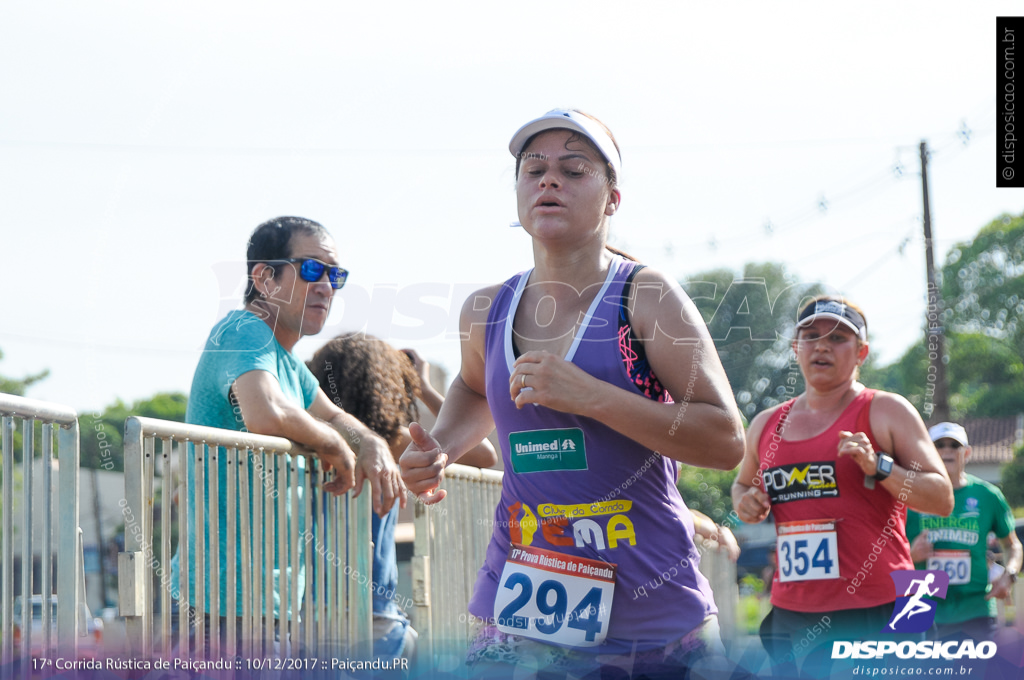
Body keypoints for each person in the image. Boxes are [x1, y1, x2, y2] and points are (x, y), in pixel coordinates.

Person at [400, 109, 746, 678]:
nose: (549, 180)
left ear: (612, 198)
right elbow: (471, 386)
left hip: (652, 616)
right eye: (533, 169)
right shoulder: (486, 310)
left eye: (574, 169)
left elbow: (725, 439)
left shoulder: (647, 296)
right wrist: (441, 448)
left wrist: (593, 396)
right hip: (526, 605)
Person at [171, 216, 405, 648]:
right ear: (264, 277)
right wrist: (334, 444)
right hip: (218, 605)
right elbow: (267, 412)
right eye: (312, 269)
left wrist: (370, 443)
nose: (326, 286)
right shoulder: (242, 330)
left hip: (267, 605)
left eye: (335, 275)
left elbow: (335, 416)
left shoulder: (290, 365)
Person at [731, 295, 955, 678]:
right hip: (794, 614)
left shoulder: (886, 410)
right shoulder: (766, 424)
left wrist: (879, 466)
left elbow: (941, 497)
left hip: (881, 607)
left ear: (861, 352)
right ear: (795, 348)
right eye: (811, 336)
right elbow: (741, 485)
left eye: (838, 338)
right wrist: (745, 502)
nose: (822, 345)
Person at [307, 333, 497, 658]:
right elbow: (484, 454)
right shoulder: (388, 446)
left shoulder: (312, 441)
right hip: (376, 618)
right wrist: (421, 386)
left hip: (308, 613)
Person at [906, 421, 1023, 642]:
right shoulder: (911, 495)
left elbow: (1012, 544)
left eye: (954, 445)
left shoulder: (988, 495)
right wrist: (911, 556)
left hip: (975, 609)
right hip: (921, 607)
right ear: (929, 452)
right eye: (939, 445)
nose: (947, 450)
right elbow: (886, 550)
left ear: (967, 452)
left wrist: (1009, 575)